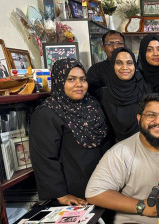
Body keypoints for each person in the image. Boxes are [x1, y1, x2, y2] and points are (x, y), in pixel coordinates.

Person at [86, 93, 159, 224]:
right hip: (135, 222)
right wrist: (141, 206)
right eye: (151, 115)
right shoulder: (120, 153)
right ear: (139, 118)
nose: (158, 121)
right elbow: (94, 193)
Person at [30, 58, 113, 206]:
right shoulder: (47, 113)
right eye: (71, 79)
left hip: (103, 184)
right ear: (59, 81)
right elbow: (44, 158)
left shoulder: (93, 105)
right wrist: (61, 194)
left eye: (82, 79)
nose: (79, 84)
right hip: (74, 190)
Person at [98, 47, 151, 142]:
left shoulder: (145, 90)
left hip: (144, 144)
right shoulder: (103, 95)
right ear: (112, 66)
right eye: (119, 63)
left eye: (129, 63)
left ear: (135, 65)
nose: (125, 67)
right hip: (114, 149)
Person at [87, 30, 125, 99]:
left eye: (119, 43)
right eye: (110, 43)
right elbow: (92, 95)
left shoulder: (132, 68)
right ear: (103, 48)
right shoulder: (95, 70)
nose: (115, 47)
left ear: (124, 46)